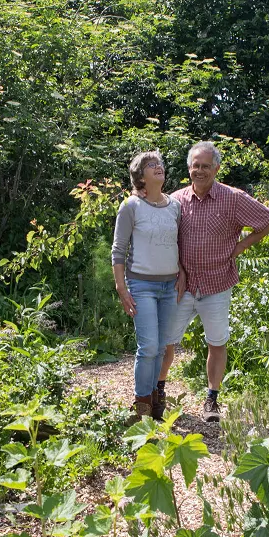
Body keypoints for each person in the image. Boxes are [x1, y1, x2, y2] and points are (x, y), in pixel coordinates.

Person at [160, 141, 269, 422]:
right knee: (167, 341)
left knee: (217, 342)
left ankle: (212, 400)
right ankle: (158, 393)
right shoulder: (175, 200)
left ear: (216, 168)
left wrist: (238, 248)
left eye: (205, 166)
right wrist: (178, 268)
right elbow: (166, 239)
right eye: (195, 165)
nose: (199, 171)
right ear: (189, 168)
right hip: (182, 284)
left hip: (217, 282)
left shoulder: (233, 198)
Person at [111, 150, 180, 421]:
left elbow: (179, 245)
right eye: (151, 165)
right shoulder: (131, 206)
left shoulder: (174, 206)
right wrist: (121, 287)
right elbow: (118, 250)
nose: (158, 167)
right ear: (140, 176)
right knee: (149, 347)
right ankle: (141, 409)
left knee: (162, 349)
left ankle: (154, 404)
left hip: (170, 286)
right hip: (141, 285)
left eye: (160, 164)